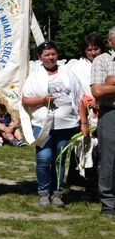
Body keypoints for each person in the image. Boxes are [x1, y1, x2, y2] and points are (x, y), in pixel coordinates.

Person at [22, 41, 88, 207]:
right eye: (46, 55)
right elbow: (25, 100)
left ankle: (57, 193)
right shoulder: (34, 77)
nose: (51, 57)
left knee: (59, 160)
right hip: (43, 125)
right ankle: (43, 192)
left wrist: (84, 122)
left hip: (66, 125)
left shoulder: (68, 73)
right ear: (40, 57)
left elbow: (79, 98)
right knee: (44, 158)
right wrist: (43, 100)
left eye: (53, 54)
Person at [66, 34, 105, 197]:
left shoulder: (108, 62)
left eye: (96, 49)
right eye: (90, 50)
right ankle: (85, 182)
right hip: (84, 111)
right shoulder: (75, 67)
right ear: (84, 50)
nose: (93, 53)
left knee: (102, 148)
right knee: (86, 147)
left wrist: (100, 100)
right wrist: (86, 100)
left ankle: (101, 182)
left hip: (104, 107)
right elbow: (73, 88)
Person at [89, 27, 115, 215]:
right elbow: (97, 91)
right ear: (110, 42)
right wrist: (106, 84)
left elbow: (106, 87)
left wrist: (112, 82)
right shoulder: (102, 60)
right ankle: (108, 201)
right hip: (110, 112)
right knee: (109, 158)